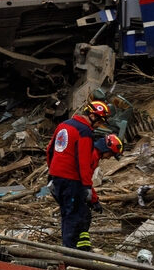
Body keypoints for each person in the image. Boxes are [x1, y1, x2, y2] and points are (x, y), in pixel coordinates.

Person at [47, 100, 122, 250]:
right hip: (72, 180)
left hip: (58, 177)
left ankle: (73, 250)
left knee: (68, 214)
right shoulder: (84, 132)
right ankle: (70, 255)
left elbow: (49, 150)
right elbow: (83, 162)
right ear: (94, 116)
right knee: (73, 216)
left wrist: (52, 174)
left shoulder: (64, 125)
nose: (98, 126)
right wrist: (87, 188)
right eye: (100, 122)